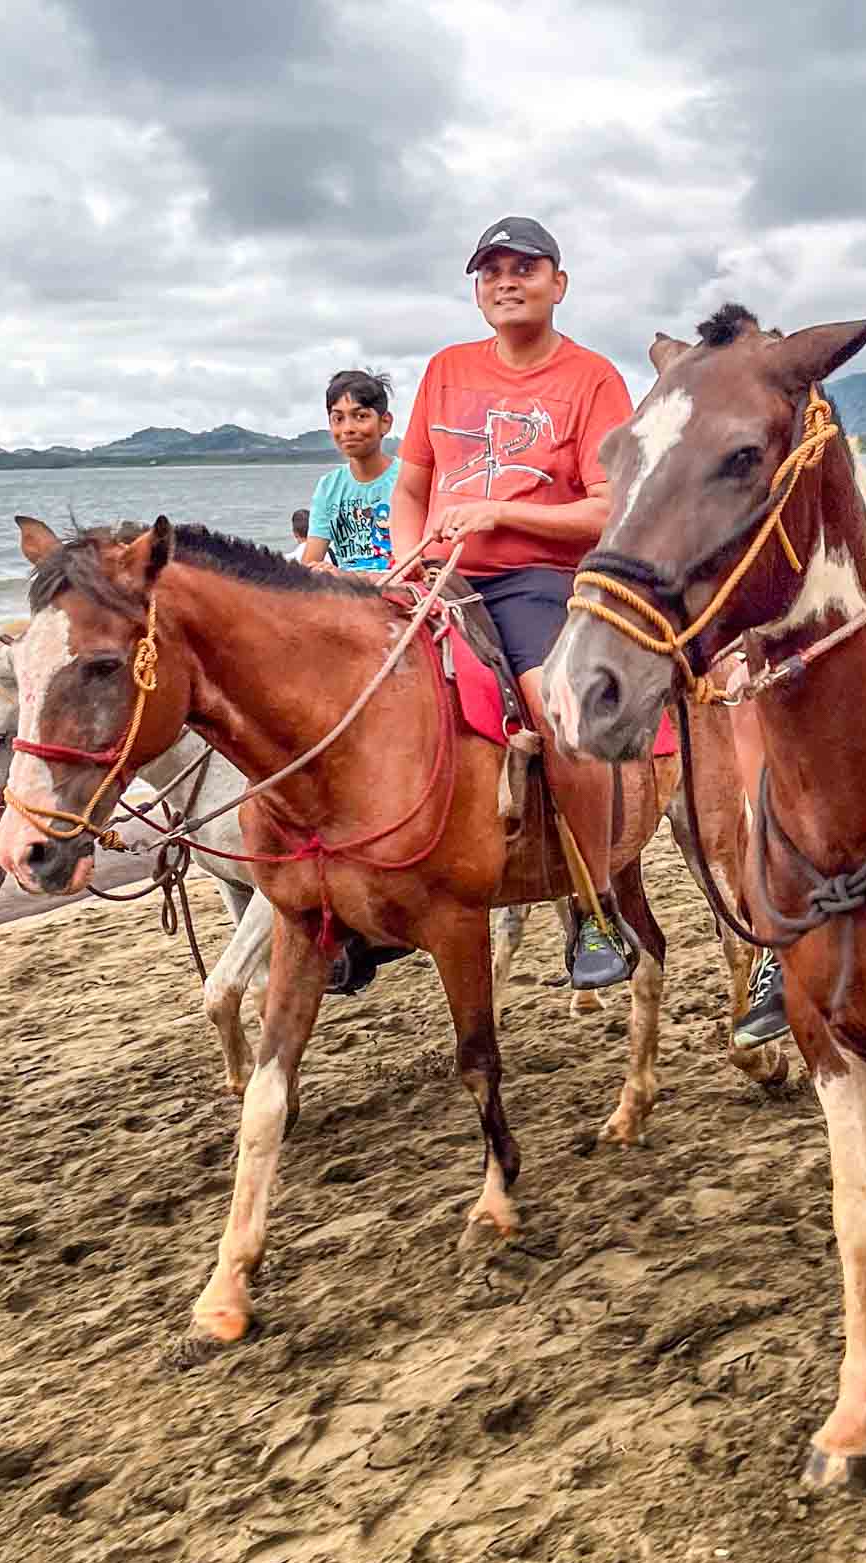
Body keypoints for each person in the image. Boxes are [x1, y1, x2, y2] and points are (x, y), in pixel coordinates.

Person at [389, 216, 639, 988]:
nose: (506, 282)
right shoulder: (445, 368)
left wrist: (501, 513)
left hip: (536, 578)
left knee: (555, 712)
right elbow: (410, 489)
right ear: (477, 293)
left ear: (558, 284)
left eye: (524, 268)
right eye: (491, 271)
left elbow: (609, 508)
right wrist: (403, 564)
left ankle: (596, 907)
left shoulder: (592, 378)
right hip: (436, 577)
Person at [305, 370, 399, 573]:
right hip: (347, 590)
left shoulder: (407, 478)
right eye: (338, 418)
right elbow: (309, 563)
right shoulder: (329, 487)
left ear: (385, 422)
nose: (348, 428)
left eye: (361, 416)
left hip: (399, 585)